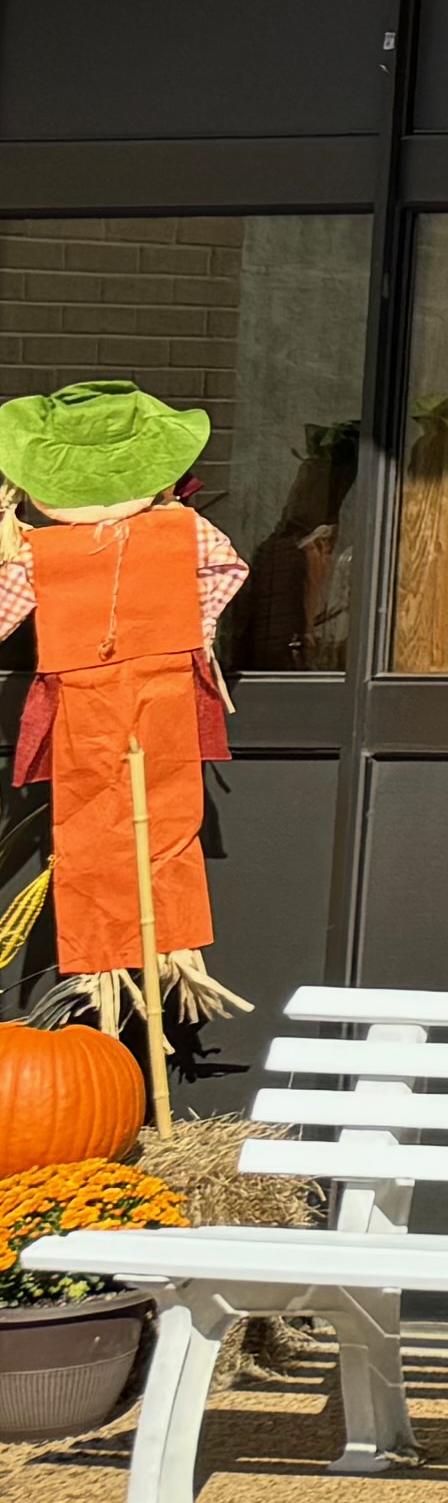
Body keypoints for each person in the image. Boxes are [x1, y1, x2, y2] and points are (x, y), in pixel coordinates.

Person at [0, 381, 251, 1119]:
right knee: (108, 831)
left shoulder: (40, 549)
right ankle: (117, 1032)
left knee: (140, 828)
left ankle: (140, 1040)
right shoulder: (184, 532)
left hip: (124, 698)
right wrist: (193, 631)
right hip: (120, 697)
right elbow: (227, 573)